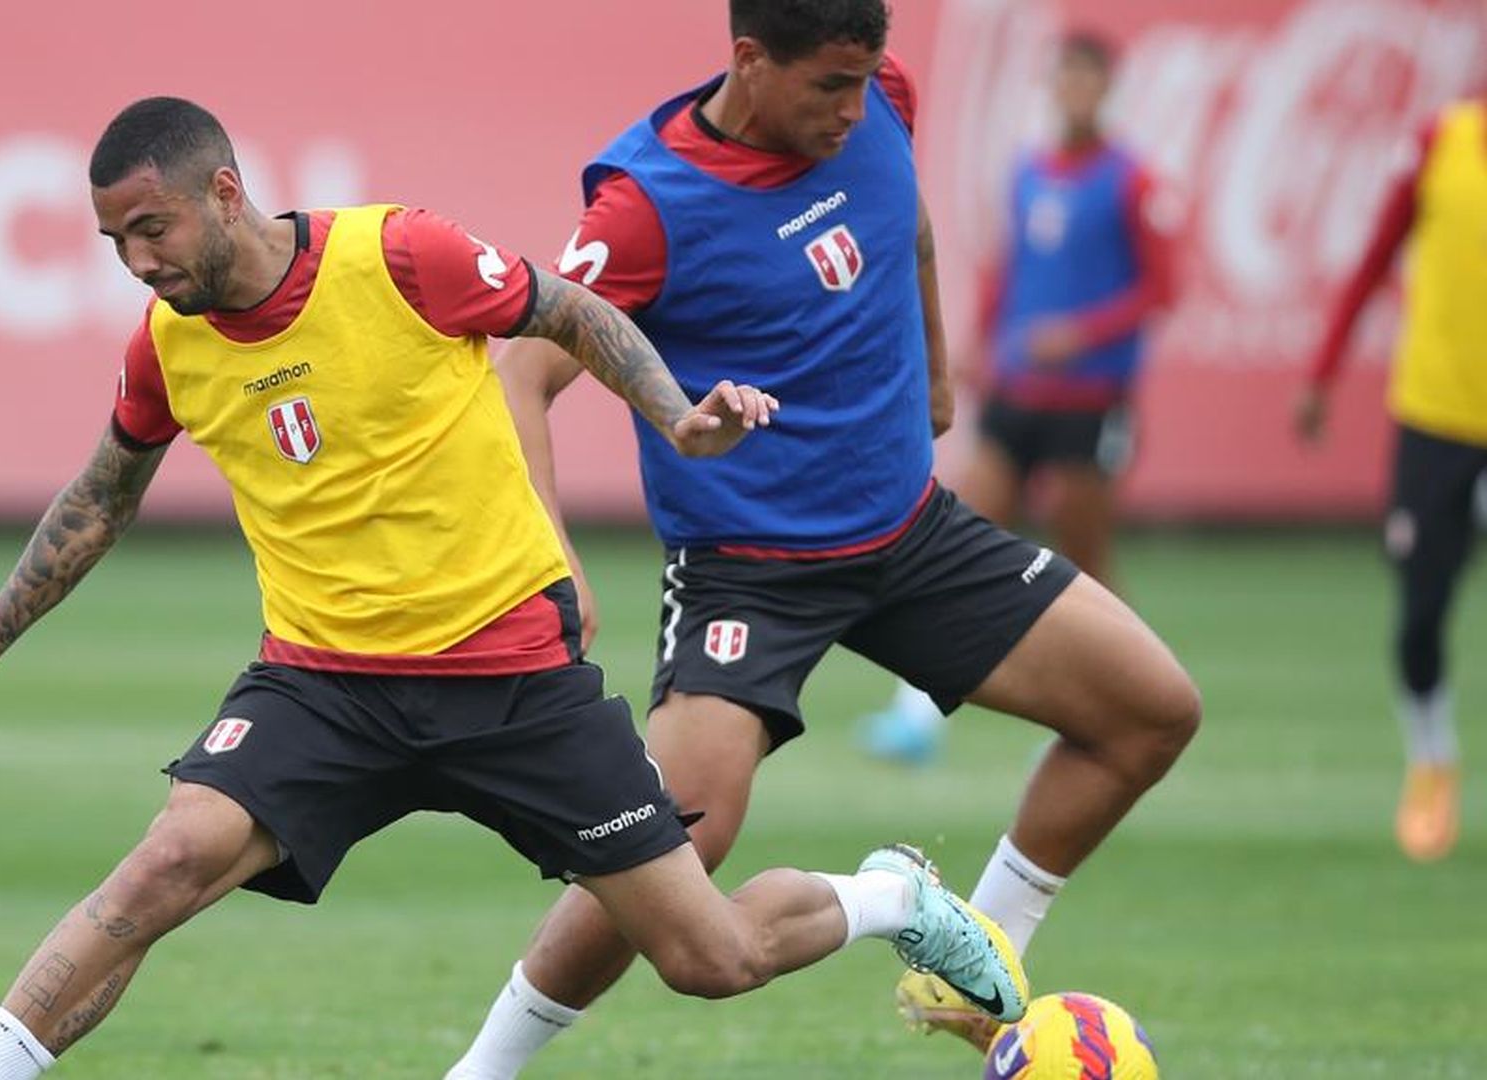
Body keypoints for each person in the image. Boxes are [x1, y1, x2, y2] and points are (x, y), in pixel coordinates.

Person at [0, 96, 1028, 1080]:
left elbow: (569, 313)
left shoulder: (399, 255)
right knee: (166, 862)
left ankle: (891, 899)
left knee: (708, 960)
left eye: (151, 227)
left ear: (223, 191)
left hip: (513, 674)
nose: (137, 261)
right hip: (321, 688)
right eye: (113, 241)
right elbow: (100, 496)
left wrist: (678, 416)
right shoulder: (165, 344)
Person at [444, 3, 1200, 1074]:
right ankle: (484, 1071)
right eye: (828, 86)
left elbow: (913, 228)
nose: (853, 107)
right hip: (750, 577)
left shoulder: (880, 100)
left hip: (913, 535)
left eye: (864, 79)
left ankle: (971, 963)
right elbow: (519, 374)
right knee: (663, 857)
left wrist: (938, 375)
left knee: (1151, 710)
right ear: (749, 62)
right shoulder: (647, 206)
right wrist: (552, 562)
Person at [859, 28, 1177, 766]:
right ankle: (917, 718)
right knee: (958, 530)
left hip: (1090, 396)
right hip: (1019, 391)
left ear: (1107, 89)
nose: (1072, 92)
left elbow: (1161, 289)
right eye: (1063, 78)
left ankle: (1120, 700)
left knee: (1085, 550)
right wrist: (979, 340)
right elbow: (1010, 267)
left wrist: (1082, 332)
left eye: (1086, 79)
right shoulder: (1030, 171)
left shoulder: (1131, 181)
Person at [1297, 86, 1487, 863]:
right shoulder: (1442, 142)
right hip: (1437, 420)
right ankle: (1431, 759)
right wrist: (1322, 373)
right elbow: (1374, 259)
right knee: (1418, 617)